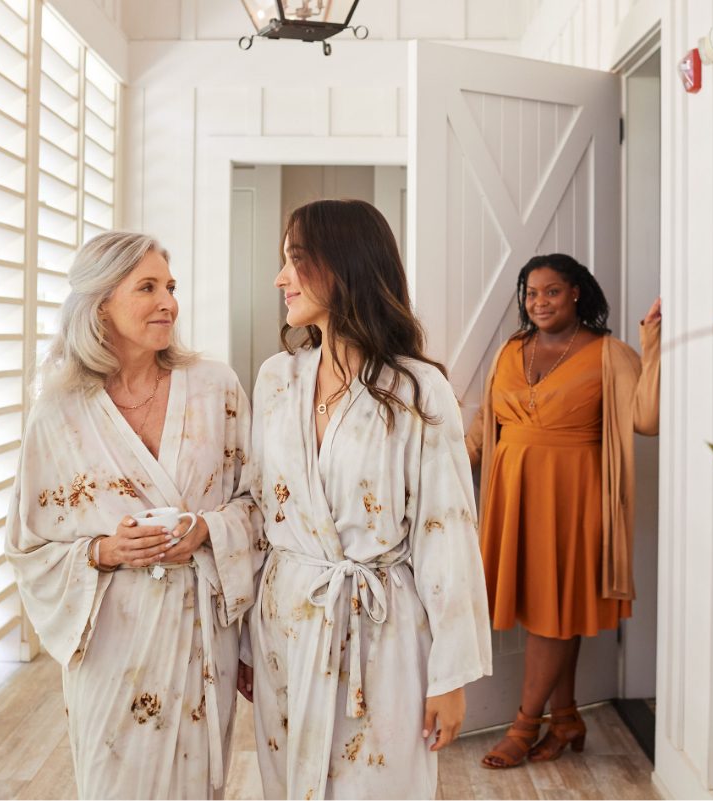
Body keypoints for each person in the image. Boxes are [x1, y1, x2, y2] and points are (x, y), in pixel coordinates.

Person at [236, 199, 492, 799]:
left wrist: (449, 677)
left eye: (295, 261)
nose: (281, 280)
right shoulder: (278, 378)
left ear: (343, 265)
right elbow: (256, 505)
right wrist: (246, 636)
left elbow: (446, 531)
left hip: (380, 629)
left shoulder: (415, 389)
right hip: (285, 624)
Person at [6, 232, 263, 799]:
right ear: (100, 303)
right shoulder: (58, 412)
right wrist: (103, 551)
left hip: (201, 636)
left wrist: (205, 530)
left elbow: (260, 503)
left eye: (170, 286)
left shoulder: (216, 386)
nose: (169, 302)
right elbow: (28, 545)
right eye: (147, 287)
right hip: (110, 645)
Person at [465, 253, 661, 769]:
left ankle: (524, 725)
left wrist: (654, 348)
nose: (539, 302)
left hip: (573, 497)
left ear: (576, 292)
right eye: (531, 293)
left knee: (552, 615)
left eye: (551, 291)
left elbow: (646, 418)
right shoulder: (512, 350)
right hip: (513, 493)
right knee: (549, 612)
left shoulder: (608, 353)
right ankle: (567, 716)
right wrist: (451, 461)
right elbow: (488, 420)